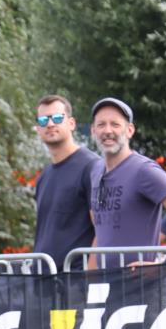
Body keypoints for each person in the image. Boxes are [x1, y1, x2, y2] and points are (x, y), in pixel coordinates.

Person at [88, 98, 166, 267]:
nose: (108, 130)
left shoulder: (143, 170)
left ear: (130, 130)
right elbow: (101, 229)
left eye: (115, 124)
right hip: (104, 286)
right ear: (93, 131)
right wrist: (89, 282)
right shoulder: (96, 171)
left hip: (140, 285)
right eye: (101, 124)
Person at [32, 94, 101, 270]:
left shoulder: (91, 166)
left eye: (57, 118)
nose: (50, 124)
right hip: (42, 280)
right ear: (38, 128)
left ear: (71, 123)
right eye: (43, 120)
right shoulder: (44, 176)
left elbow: (103, 229)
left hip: (75, 281)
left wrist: (90, 276)